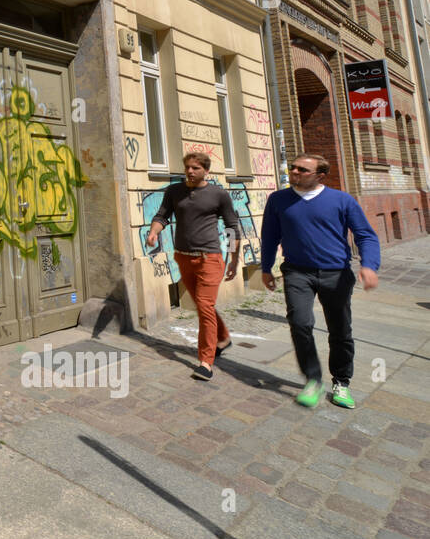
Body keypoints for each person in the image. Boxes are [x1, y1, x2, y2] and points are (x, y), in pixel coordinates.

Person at [259, 154, 379, 410]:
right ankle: (313, 379)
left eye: (302, 169)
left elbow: (365, 235)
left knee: (340, 330)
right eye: (293, 167)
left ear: (319, 176)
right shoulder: (278, 200)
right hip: (296, 272)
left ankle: (341, 382)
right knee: (300, 323)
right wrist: (266, 267)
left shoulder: (341, 200)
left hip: (335, 273)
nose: (294, 171)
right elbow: (269, 235)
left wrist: (369, 266)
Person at [147, 152, 241, 381]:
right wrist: (153, 233)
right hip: (183, 257)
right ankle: (224, 337)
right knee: (202, 304)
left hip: (209, 258)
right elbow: (163, 215)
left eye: (195, 168)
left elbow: (232, 227)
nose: (189, 171)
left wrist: (234, 260)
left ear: (206, 171)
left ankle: (206, 362)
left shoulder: (218, 195)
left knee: (204, 307)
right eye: (187, 167)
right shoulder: (174, 192)